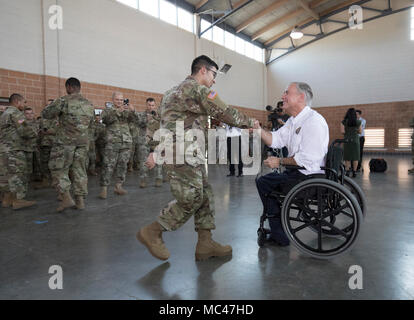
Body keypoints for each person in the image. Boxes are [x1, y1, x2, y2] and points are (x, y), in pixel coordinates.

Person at [137, 55, 255, 261]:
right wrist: (251, 122)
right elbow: (224, 112)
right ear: (202, 70)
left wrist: (153, 149)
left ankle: (205, 243)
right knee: (191, 198)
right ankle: (154, 231)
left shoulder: (169, 93)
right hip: (183, 153)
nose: (214, 79)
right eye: (213, 74)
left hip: (188, 152)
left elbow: (157, 123)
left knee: (205, 194)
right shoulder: (199, 90)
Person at [254, 82, 329, 246]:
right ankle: (277, 229)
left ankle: (279, 236)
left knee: (264, 183)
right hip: (299, 173)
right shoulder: (294, 121)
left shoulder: (313, 122)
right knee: (267, 180)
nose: (283, 96)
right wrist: (258, 130)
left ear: (301, 97)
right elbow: (275, 140)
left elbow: (307, 159)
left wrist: (279, 160)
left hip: (309, 179)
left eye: (287, 93)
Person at [41, 78, 95, 212]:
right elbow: (91, 125)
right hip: (82, 143)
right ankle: (80, 201)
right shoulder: (89, 104)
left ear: (69, 87)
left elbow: (46, 114)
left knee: (58, 169)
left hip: (65, 142)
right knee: (79, 170)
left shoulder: (64, 101)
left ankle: (66, 198)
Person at [0, 94, 38, 210]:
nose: (24, 105)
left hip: (3, 149)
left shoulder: (3, 114)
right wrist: (34, 134)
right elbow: (24, 129)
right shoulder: (16, 113)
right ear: (17, 101)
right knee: (18, 174)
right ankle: (18, 200)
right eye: (23, 102)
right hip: (14, 149)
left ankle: (7, 200)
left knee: (5, 175)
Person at [99, 92, 136, 199]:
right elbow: (105, 120)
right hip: (113, 142)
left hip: (126, 142)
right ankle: (104, 188)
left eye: (121, 100)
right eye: (117, 99)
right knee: (108, 165)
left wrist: (133, 111)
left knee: (122, 165)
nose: (119, 102)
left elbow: (135, 120)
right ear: (113, 100)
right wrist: (117, 112)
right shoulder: (108, 110)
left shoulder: (126, 111)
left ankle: (118, 186)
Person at [139, 98, 165, 188]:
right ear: (146, 105)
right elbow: (139, 124)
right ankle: (143, 179)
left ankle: (158, 178)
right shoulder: (142, 115)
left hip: (156, 141)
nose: (151, 107)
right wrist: (147, 120)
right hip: (145, 141)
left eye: (152, 105)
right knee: (144, 160)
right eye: (149, 105)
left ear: (155, 105)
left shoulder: (159, 115)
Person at [341, 108, 361, 178]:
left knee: (347, 157)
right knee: (355, 157)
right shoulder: (358, 122)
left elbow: (342, 132)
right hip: (355, 140)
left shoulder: (343, 122)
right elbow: (360, 132)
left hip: (347, 140)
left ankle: (347, 171)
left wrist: (348, 132)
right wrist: (355, 131)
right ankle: (354, 172)